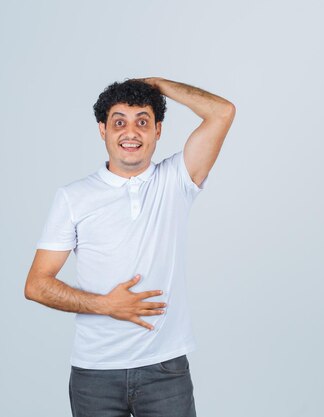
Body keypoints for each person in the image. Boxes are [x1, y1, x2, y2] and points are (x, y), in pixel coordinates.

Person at [24, 77, 236, 417]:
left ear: (158, 131)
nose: (131, 132)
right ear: (103, 131)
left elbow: (222, 112)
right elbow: (36, 285)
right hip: (95, 374)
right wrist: (106, 305)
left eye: (143, 121)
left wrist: (157, 85)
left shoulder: (176, 180)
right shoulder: (73, 197)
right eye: (119, 122)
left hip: (164, 371)